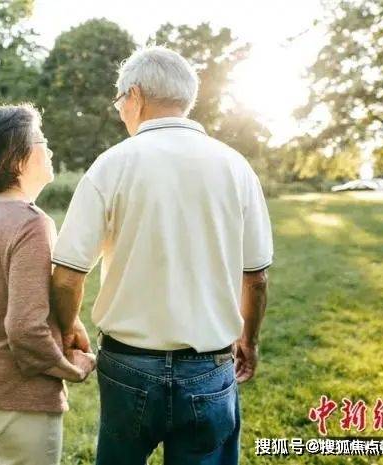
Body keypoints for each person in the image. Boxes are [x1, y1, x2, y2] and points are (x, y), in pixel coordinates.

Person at [49, 46, 274, 465]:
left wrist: (66, 327)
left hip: (128, 365)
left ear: (135, 95)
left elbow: (66, 276)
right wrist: (251, 340)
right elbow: (256, 278)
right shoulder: (235, 166)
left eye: (120, 101)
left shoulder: (111, 165)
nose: (120, 111)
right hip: (209, 366)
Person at [0, 104, 96, 465]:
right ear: (15, 159)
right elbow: (25, 329)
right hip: (16, 399)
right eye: (41, 140)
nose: (50, 149)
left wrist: (70, 323)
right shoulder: (31, 222)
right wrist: (70, 368)